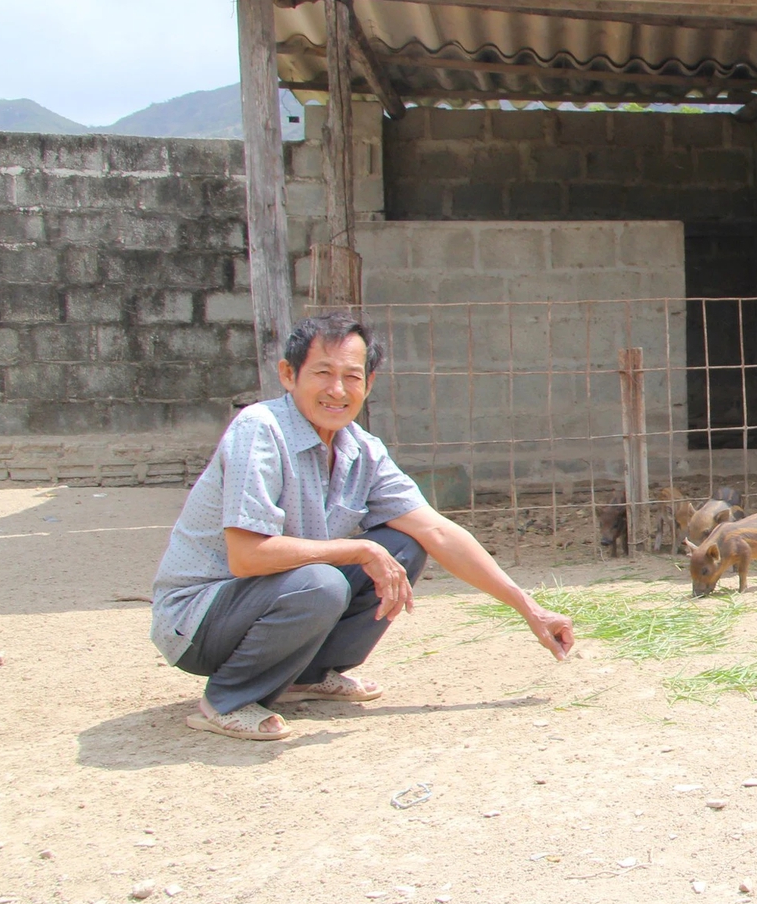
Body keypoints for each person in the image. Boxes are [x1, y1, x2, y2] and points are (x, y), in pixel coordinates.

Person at [150, 313, 575, 741]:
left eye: (352, 376)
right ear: (287, 375)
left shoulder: (362, 450)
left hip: (278, 599)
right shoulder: (260, 430)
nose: (337, 390)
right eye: (322, 373)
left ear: (368, 384)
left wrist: (530, 609)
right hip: (200, 621)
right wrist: (357, 551)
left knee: (403, 546)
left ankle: (308, 676)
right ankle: (226, 699)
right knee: (324, 582)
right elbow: (246, 557)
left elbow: (439, 532)